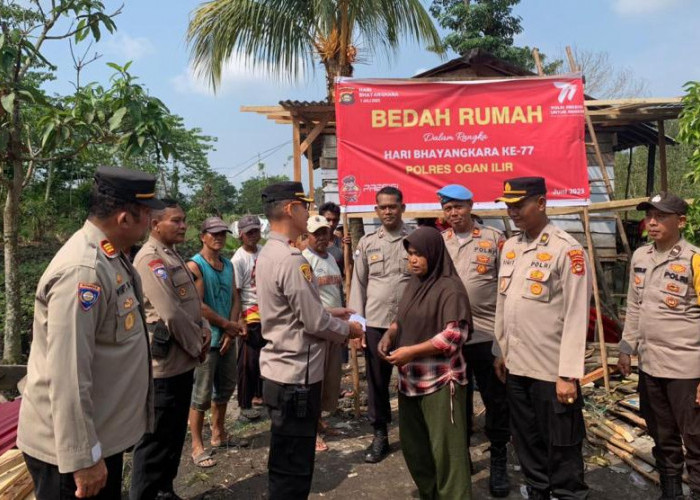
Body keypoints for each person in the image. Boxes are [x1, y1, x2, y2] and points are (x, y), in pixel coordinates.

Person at [17, 166, 163, 499]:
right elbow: (67, 373)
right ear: (125, 218)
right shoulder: (83, 271)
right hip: (70, 456)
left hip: (97, 440)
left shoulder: (111, 258)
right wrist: (83, 458)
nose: (151, 222)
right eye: (147, 214)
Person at [256, 181, 363, 499]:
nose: (309, 213)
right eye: (305, 206)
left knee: (284, 458)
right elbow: (313, 321)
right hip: (296, 376)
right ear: (291, 208)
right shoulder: (292, 259)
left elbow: (292, 310)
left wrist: (334, 312)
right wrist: (349, 330)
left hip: (280, 371)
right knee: (295, 467)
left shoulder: (271, 253)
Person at [493, 177, 591, 500]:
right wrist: (500, 351)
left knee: (562, 445)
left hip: (551, 371)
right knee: (526, 440)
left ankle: (567, 494)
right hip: (517, 366)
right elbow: (503, 305)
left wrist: (567, 374)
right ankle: (537, 491)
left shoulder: (567, 249)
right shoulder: (510, 247)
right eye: (508, 206)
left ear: (542, 203)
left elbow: (578, 314)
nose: (513, 212)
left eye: (519, 205)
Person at [378, 226, 473, 499]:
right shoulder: (413, 284)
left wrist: (411, 352)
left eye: (419, 254)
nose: (413, 260)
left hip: (441, 382)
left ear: (433, 253)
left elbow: (454, 336)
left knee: (447, 455)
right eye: (410, 254)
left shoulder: (449, 288)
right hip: (410, 382)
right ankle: (430, 494)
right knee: (415, 449)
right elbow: (402, 318)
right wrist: (390, 334)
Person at [617, 192, 700, 500]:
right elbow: (634, 305)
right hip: (650, 366)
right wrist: (626, 347)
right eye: (649, 216)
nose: (652, 222)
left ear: (680, 221)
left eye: (661, 216)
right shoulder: (641, 257)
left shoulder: (694, 259)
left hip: (686, 369)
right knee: (662, 435)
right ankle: (671, 492)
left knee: (695, 439)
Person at [130, 199, 210, 499]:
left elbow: (190, 304)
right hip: (163, 366)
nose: (183, 225)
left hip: (182, 360)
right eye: (175, 220)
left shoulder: (172, 256)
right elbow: (171, 312)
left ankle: (165, 490)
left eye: (183, 219)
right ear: (154, 224)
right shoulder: (150, 259)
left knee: (174, 435)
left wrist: (202, 330)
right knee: (155, 439)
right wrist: (196, 346)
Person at [437, 184, 511, 497]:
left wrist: (506, 340)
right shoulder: (441, 243)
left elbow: (507, 287)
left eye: (459, 207)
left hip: (488, 333)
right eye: (448, 208)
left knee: (496, 399)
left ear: (470, 205)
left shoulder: (495, 239)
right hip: (455, 336)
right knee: (458, 401)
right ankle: (462, 459)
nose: (454, 213)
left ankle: (498, 460)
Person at [349, 186, 412, 463]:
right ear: (376, 210)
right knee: (377, 383)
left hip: (410, 325)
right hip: (375, 324)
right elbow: (358, 286)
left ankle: (414, 434)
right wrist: (357, 326)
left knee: (413, 379)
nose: (388, 211)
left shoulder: (416, 240)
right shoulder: (367, 243)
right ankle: (380, 435)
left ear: (402, 208)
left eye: (393, 206)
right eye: (383, 207)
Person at [187, 217, 247, 468]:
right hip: (206, 339)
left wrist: (231, 331)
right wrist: (226, 326)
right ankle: (196, 445)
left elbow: (235, 297)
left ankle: (219, 434)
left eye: (222, 233)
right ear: (202, 236)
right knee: (201, 395)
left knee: (225, 388)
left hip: (226, 336)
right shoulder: (195, 266)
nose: (219, 237)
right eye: (213, 233)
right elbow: (197, 305)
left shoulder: (227, 264)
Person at [302, 215, 346, 452]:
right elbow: (309, 303)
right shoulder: (304, 260)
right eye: (316, 233)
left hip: (335, 327)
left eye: (324, 233)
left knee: (330, 378)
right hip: (318, 327)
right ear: (307, 235)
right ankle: (312, 431)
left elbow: (336, 289)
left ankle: (319, 421)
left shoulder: (330, 257)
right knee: (314, 381)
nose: (321, 237)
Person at [232, 214, 265, 421]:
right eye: (249, 232)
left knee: (264, 358)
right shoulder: (238, 259)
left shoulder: (263, 252)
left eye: (256, 231)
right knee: (248, 361)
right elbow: (236, 291)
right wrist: (239, 319)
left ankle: (260, 396)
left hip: (266, 311)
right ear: (241, 235)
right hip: (249, 311)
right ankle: (244, 403)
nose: (254, 235)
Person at [318, 201, 349, 273]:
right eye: (328, 220)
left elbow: (348, 268)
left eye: (335, 220)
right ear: (320, 218)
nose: (331, 224)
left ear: (338, 221)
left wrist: (347, 251)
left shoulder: (342, 243)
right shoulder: (310, 242)